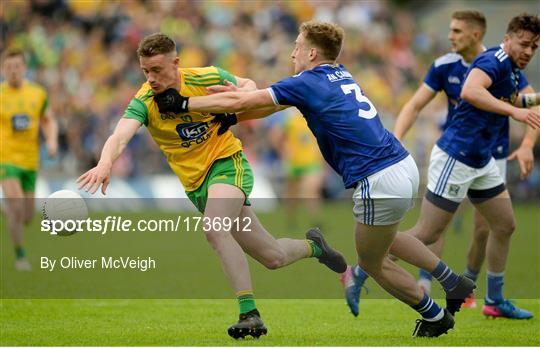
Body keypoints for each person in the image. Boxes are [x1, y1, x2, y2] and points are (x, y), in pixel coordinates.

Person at [153, 21, 477, 337]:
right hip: (402, 165)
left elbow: (244, 99)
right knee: (386, 238)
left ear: (311, 54)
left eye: (296, 47)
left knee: (372, 262)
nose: (292, 53)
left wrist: (184, 103)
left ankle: (435, 316)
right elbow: (268, 106)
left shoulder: (307, 82)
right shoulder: (337, 74)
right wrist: (232, 114)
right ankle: (452, 281)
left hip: (377, 178)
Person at [77, 32, 347, 339]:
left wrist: (236, 95)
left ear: (176, 63)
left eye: (157, 70)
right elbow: (119, 135)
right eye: (145, 71)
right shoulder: (145, 101)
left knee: (214, 227)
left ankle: (250, 314)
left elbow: (248, 88)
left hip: (227, 164)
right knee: (273, 257)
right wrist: (105, 162)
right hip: (196, 186)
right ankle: (315, 247)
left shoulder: (205, 77)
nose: (151, 78)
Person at [344, 10, 539, 315]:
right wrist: (516, 113)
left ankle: (494, 301)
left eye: (534, 47)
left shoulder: (511, 67)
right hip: (456, 157)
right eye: (524, 44)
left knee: (504, 224)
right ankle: (362, 269)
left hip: (482, 158)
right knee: (427, 234)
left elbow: (514, 98)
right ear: (506, 39)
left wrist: (529, 106)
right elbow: (471, 91)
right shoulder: (492, 61)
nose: (528, 51)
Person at [0, 49, 58, 271]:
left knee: (26, 215)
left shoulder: (37, 94)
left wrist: (51, 141)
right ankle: (20, 255)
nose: (13, 71)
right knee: (15, 205)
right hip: (5, 158)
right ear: (4, 69)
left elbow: (48, 119)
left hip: (30, 160)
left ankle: (7, 210)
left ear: (24, 69)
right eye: (8, 67)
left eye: (17, 67)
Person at [267, 108, 325, 228]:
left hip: (311, 161)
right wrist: (283, 151)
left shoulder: (314, 114)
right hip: (294, 162)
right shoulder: (289, 116)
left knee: (311, 190)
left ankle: (316, 220)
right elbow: (274, 135)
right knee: (292, 193)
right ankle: (291, 219)